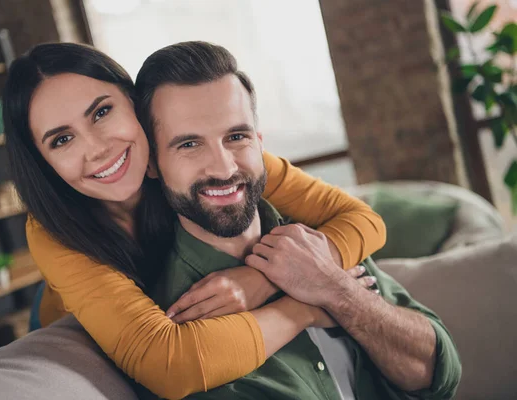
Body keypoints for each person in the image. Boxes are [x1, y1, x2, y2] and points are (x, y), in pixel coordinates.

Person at [3, 42, 386, 399]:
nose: (97, 149)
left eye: (102, 113)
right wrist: (307, 305)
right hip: (77, 310)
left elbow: (361, 219)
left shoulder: (211, 162)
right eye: (61, 140)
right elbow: (170, 365)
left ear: (133, 104)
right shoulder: (50, 232)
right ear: (42, 161)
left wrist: (262, 279)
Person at [138, 40, 461, 399]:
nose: (224, 167)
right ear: (151, 163)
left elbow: (437, 371)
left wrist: (338, 292)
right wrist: (309, 304)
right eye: (189, 145)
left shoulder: (320, 241)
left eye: (236, 136)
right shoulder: (175, 324)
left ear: (259, 142)